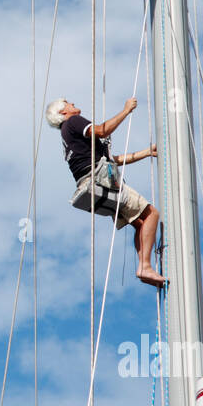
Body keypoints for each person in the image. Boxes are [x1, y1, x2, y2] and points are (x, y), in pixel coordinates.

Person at [45, 96, 166, 288]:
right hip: (101, 180)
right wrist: (126, 110)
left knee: (140, 223)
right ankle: (145, 266)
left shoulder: (67, 136)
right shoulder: (73, 122)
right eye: (69, 102)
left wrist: (146, 152)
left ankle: (145, 267)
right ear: (63, 112)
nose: (73, 103)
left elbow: (112, 160)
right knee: (152, 213)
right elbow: (102, 130)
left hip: (93, 183)